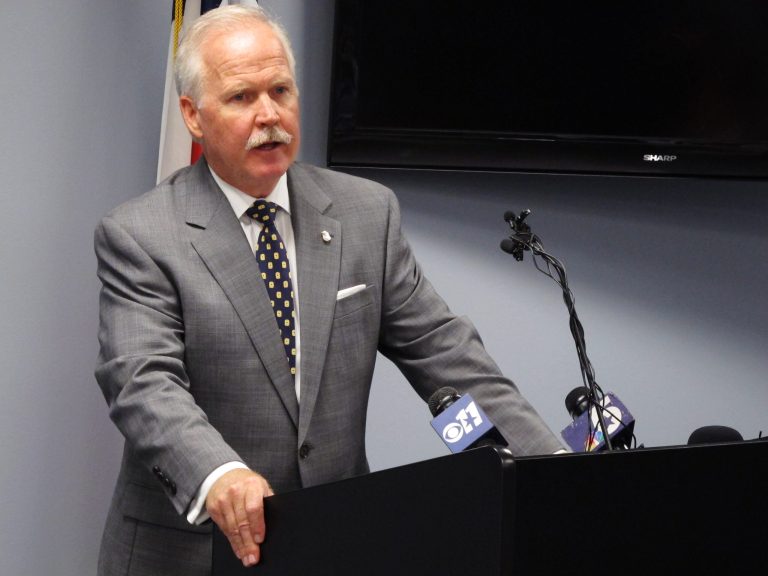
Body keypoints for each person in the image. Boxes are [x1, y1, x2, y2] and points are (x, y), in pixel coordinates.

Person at [94, 5, 563, 576]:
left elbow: (448, 355)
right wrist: (221, 473)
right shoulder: (142, 233)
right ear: (192, 116)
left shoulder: (366, 212)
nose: (270, 115)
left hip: (335, 542)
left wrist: (554, 473)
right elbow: (143, 381)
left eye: (281, 90)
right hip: (191, 552)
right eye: (242, 97)